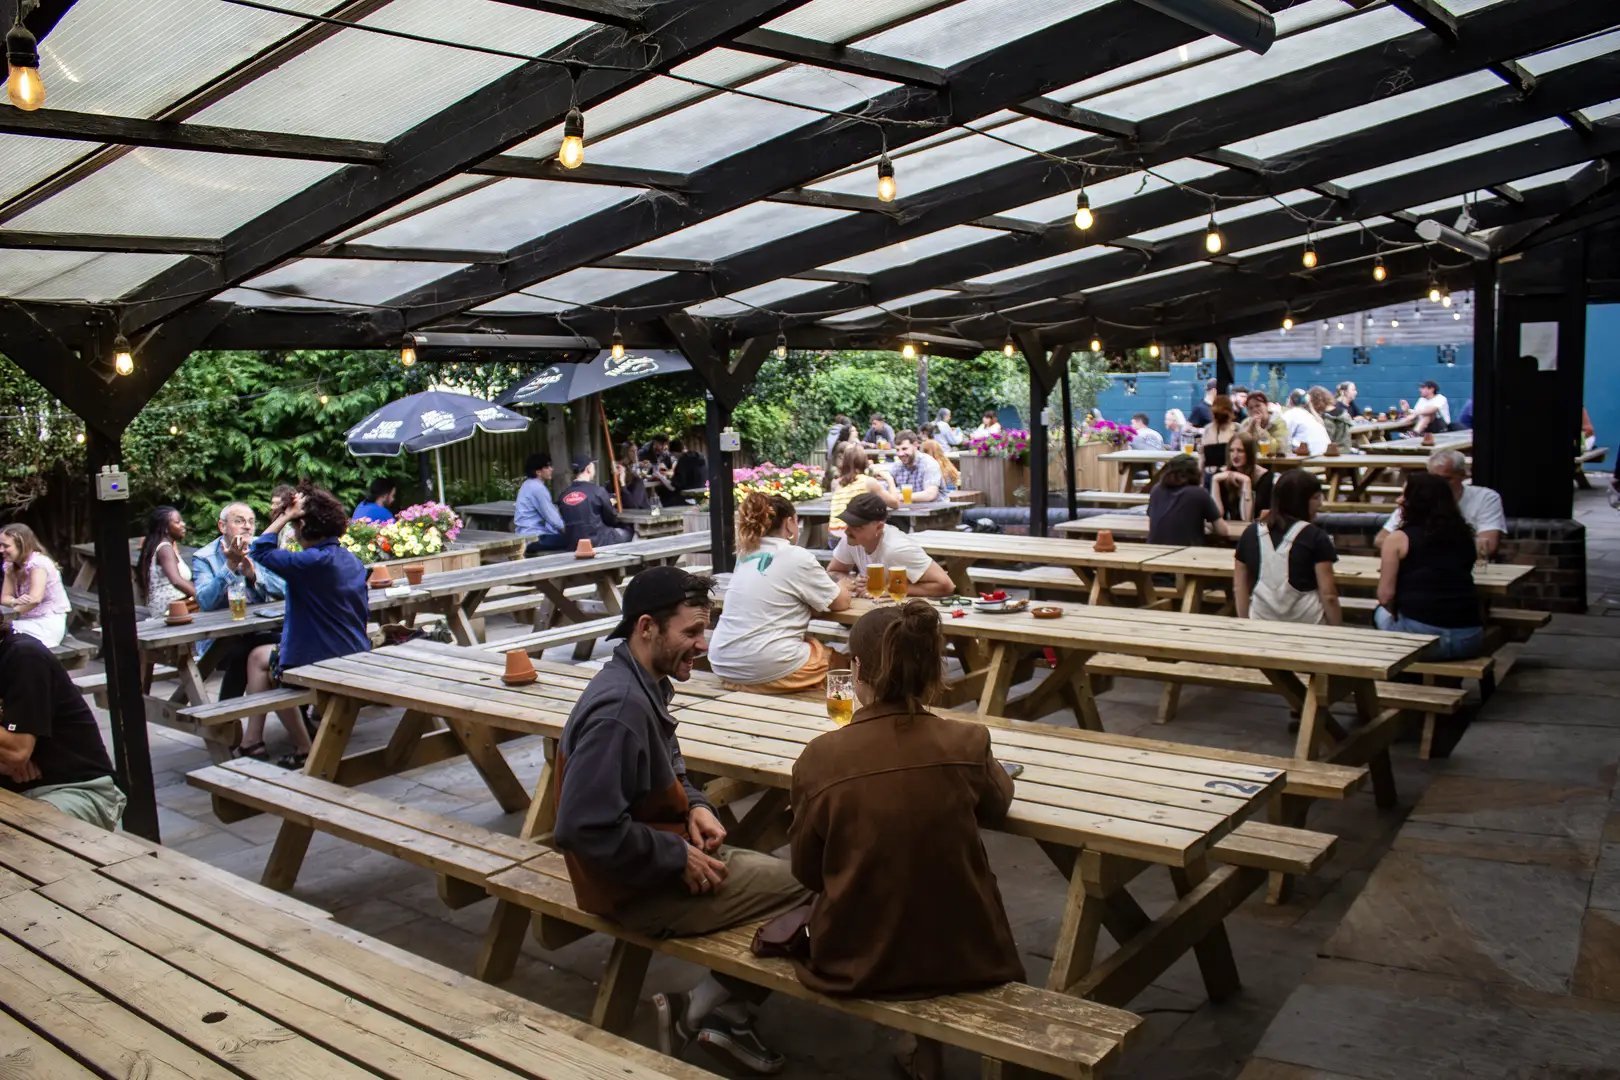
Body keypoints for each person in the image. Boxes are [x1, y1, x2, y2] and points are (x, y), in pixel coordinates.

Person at [551, 567, 809, 1075]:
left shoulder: (641, 680)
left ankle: (722, 1015)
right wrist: (673, 855)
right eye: (691, 632)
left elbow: (671, 769)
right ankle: (705, 1009)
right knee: (817, 883)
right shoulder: (619, 710)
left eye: (704, 630)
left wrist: (697, 806)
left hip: (648, 863)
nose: (702, 644)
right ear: (647, 627)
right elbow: (579, 828)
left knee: (784, 876)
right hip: (633, 889)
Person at [789, 601, 1022, 1078]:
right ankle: (923, 1052)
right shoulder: (968, 741)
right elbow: (997, 805)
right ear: (932, 670)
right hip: (968, 951)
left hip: (856, 958)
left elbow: (807, 873)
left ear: (855, 669)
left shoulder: (819, 757)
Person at [250, 486, 371, 768]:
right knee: (264, 656)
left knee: (264, 662)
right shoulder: (349, 559)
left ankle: (301, 747)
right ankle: (253, 740)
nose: (292, 532)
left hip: (321, 661)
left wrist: (286, 514)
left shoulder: (311, 561)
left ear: (303, 525)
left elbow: (260, 549)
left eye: (293, 526)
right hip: (354, 652)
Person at [709, 493, 852, 694]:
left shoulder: (746, 555)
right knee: (844, 666)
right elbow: (841, 602)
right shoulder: (796, 556)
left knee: (809, 649)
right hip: (767, 668)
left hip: (725, 666)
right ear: (789, 523)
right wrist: (844, 584)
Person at [0, 614, 124, 828]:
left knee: (17, 837)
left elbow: (16, 751)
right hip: (18, 789)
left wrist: (9, 756)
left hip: (76, 790)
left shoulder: (24, 657)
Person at [191, 502, 288, 751]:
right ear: (222, 526)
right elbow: (205, 601)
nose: (247, 526)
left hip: (258, 631)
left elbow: (285, 589)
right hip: (220, 639)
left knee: (287, 645)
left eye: (251, 521)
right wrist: (230, 567)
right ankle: (230, 720)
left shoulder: (260, 550)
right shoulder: (204, 557)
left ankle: (232, 723)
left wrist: (254, 574)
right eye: (239, 520)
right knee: (243, 650)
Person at [1375, 472, 1484, 659]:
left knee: (1380, 613)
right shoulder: (1465, 536)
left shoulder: (1398, 539)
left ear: (1415, 501)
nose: (1399, 500)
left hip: (1421, 641)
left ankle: (1401, 675)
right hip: (1469, 639)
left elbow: (1385, 596)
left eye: (1404, 494)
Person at [1233, 470, 1342, 626]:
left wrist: (1246, 624)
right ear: (1301, 501)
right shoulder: (1316, 537)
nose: (1320, 503)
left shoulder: (1250, 533)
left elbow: (1239, 586)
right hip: (1309, 627)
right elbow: (1329, 594)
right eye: (1316, 497)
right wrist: (1337, 631)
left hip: (1262, 624)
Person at [1376, 449, 1504, 559]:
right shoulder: (1419, 499)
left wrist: (1409, 550)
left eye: (1446, 479)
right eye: (1435, 480)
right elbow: (1381, 540)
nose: (1441, 485)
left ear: (1462, 475)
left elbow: (1487, 546)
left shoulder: (1486, 497)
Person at [826, 494, 955, 597]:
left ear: (879, 527)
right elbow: (833, 571)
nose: (847, 531)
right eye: (848, 523)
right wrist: (853, 582)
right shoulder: (851, 539)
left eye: (856, 526)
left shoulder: (897, 548)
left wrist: (891, 588)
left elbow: (946, 586)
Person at [0, 525, 71, 648]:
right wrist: (14, 601)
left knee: (5, 637)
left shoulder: (38, 564)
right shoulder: (10, 565)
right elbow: (4, 597)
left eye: (6, 546)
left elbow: (35, 599)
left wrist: (13, 612)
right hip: (25, 621)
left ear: (22, 545)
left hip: (46, 624)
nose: (1, 550)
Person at [1147, 455, 1232, 547]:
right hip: (1187, 553)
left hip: (1154, 549)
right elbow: (1223, 531)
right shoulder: (1199, 493)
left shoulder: (1156, 490)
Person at [827, 445, 899, 544]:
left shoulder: (838, 484)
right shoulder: (868, 482)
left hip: (833, 536)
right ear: (864, 461)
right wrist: (890, 480)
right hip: (852, 536)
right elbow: (895, 503)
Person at [559, 455, 634, 549]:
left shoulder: (563, 495)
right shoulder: (598, 491)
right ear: (589, 468)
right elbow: (611, 518)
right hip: (598, 541)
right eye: (593, 465)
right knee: (629, 531)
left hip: (573, 543)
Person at [138, 505, 195, 610]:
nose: (183, 525)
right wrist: (201, 595)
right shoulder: (165, 549)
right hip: (171, 607)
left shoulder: (162, 546)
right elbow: (176, 581)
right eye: (177, 522)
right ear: (165, 528)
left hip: (170, 604)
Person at [1210, 432, 1274, 523]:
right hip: (1227, 529)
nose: (1235, 455)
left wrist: (1246, 481)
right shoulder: (1221, 474)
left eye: (1240, 451)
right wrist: (1214, 481)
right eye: (1231, 450)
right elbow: (1218, 516)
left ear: (1249, 453)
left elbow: (1247, 519)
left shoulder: (1263, 477)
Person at [514, 452, 568, 554]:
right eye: (547, 467)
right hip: (535, 538)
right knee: (577, 539)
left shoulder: (527, 484)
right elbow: (554, 520)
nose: (551, 469)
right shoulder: (538, 488)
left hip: (524, 535)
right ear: (538, 472)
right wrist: (570, 532)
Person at [890, 430, 943, 503]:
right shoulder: (897, 467)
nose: (900, 454)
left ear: (915, 445)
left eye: (904, 449)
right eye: (897, 450)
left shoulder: (928, 463)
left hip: (937, 511)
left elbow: (930, 494)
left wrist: (898, 497)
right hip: (909, 511)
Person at [1281, 386, 1331, 456]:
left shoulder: (1291, 413)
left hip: (1310, 460)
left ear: (1290, 400)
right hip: (1324, 458)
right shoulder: (1309, 415)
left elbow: (1282, 437)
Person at [1198, 394, 1239, 473]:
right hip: (1226, 475)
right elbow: (1202, 458)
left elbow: (1202, 460)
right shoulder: (1207, 429)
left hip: (1228, 475)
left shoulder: (1237, 429)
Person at [670, 437, 707, 501]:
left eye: (673, 454)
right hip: (704, 492)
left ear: (675, 452)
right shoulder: (700, 456)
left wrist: (660, 476)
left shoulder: (683, 460)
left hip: (688, 496)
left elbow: (677, 484)